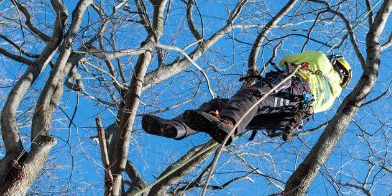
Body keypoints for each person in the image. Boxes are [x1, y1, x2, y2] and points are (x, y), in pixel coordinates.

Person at [141, 51, 352, 144]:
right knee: (223, 106)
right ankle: (178, 128)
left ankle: (227, 124)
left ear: (335, 62)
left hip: (290, 88)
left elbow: (285, 61)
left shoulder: (321, 60)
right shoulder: (331, 99)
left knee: (250, 97)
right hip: (285, 119)